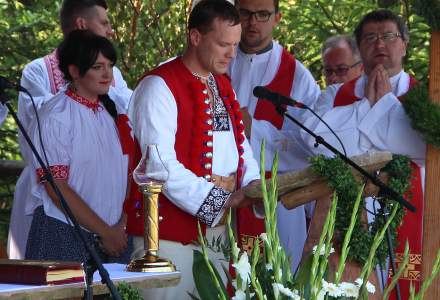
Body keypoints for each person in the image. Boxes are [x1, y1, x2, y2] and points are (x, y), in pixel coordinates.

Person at [127, 0, 260, 298]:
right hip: (169, 238)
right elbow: (160, 165)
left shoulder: (222, 84)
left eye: (235, 45)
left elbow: (240, 145)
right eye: (223, 44)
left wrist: (252, 182)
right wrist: (220, 201)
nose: (231, 53)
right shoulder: (158, 86)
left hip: (218, 232)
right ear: (195, 37)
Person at [302, 10, 425, 299]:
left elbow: (421, 146)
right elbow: (314, 140)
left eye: (388, 36)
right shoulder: (335, 95)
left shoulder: (425, 98)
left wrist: (378, 109)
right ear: (359, 48)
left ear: (404, 44)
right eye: (370, 38)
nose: (379, 45)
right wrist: (365, 108)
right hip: (348, 213)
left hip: (406, 208)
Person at [8, 0, 132, 260]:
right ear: (75, 71)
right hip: (64, 233)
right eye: (98, 67)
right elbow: (56, 186)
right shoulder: (55, 116)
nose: (108, 74)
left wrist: (121, 223)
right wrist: (105, 231)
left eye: (110, 66)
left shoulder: (115, 111)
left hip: (116, 233)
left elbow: (129, 167)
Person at [228, 0, 321, 272]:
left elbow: (309, 147)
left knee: (277, 277)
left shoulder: (298, 77)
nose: (252, 22)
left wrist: (254, 130)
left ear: (277, 18)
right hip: (223, 193)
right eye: (245, 13)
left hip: (275, 198)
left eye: (262, 14)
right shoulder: (217, 61)